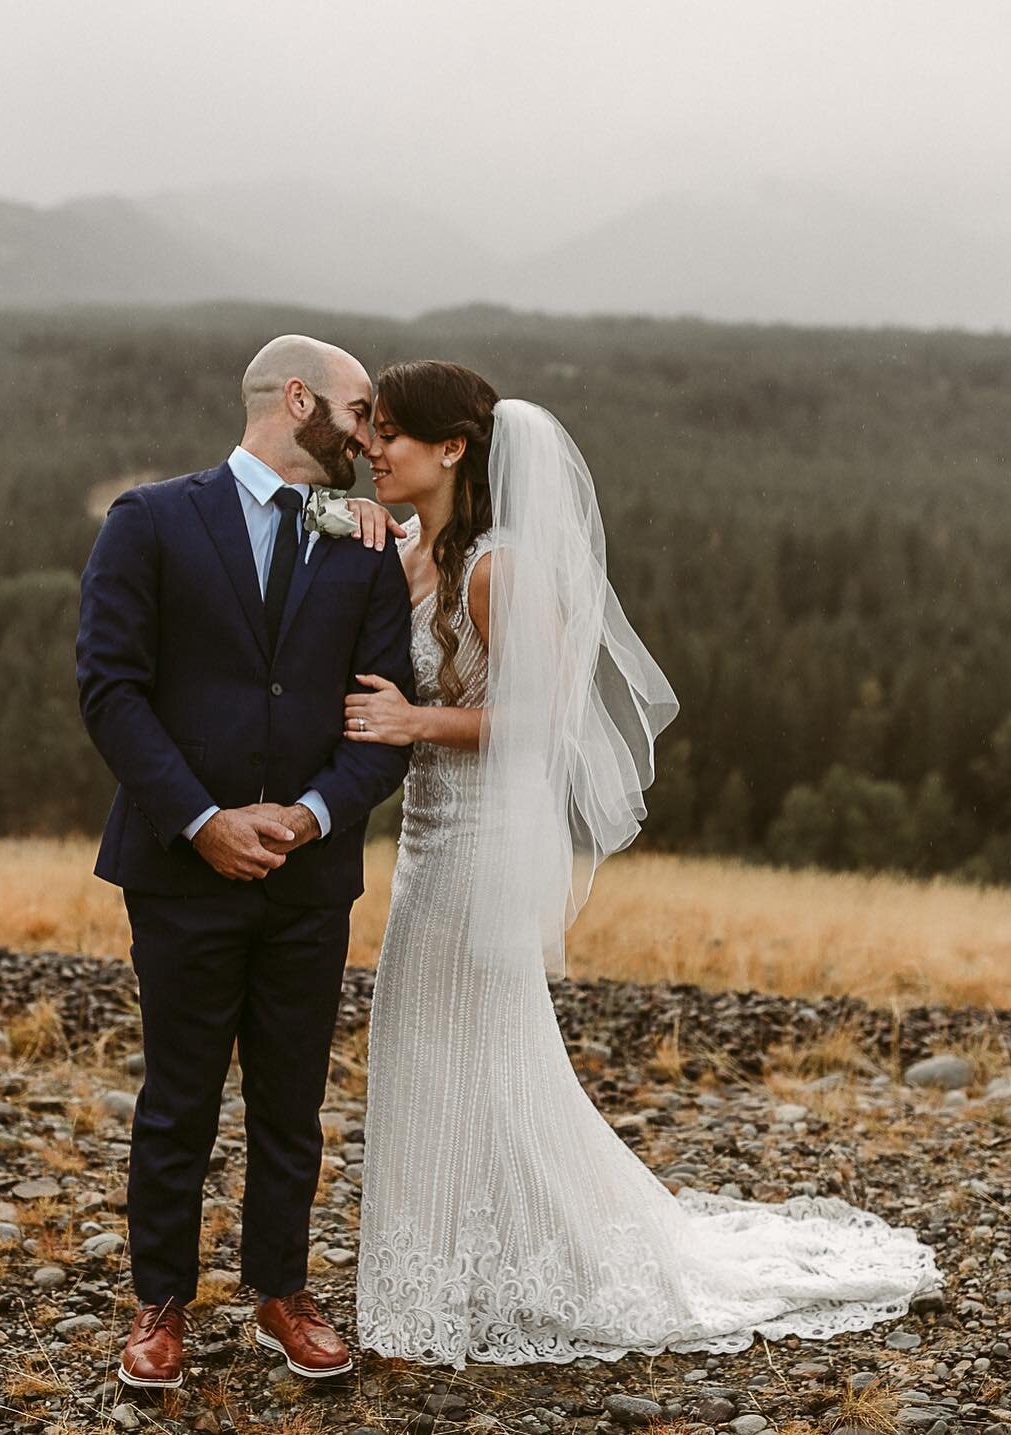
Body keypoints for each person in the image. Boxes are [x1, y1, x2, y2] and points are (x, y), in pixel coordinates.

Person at [338, 359, 942, 1369]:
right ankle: (452, 1273)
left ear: (452, 448)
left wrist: (415, 719)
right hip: (428, 840)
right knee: (442, 1051)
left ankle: (474, 1281)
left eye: (392, 432)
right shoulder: (416, 546)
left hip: (478, 845)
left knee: (472, 1052)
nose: (373, 449)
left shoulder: (501, 567)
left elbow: (542, 716)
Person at [75, 335, 415, 1389]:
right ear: (299, 400)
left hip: (310, 879)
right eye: (362, 414)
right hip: (182, 870)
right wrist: (203, 819)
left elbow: (380, 719)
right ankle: (159, 1304)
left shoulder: (368, 547)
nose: (372, 436)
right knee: (177, 1096)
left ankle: (281, 1292)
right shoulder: (151, 520)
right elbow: (110, 688)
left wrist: (313, 817)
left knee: (291, 1098)